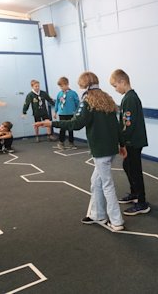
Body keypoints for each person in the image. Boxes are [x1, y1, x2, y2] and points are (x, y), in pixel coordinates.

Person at [35, 72, 127, 232]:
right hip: (111, 149)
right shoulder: (108, 99)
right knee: (95, 181)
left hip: (101, 151)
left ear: (85, 84)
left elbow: (76, 124)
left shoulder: (88, 101)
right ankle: (97, 214)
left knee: (107, 184)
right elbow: (117, 125)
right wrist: (122, 145)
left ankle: (116, 221)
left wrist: (52, 123)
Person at [109, 69, 150, 215]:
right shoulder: (128, 97)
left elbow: (128, 124)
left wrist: (122, 140)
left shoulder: (130, 98)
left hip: (133, 141)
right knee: (128, 166)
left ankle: (142, 202)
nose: (115, 89)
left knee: (135, 170)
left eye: (115, 85)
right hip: (131, 140)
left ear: (122, 82)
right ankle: (134, 193)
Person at [53, 77, 80, 150]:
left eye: (62, 86)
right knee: (63, 128)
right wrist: (55, 112)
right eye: (60, 86)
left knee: (71, 128)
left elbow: (77, 103)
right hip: (62, 114)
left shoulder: (73, 93)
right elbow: (57, 103)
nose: (61, 88)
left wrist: (78, 112)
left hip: (71, 113)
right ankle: (61, 142)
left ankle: (71, 143)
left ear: (67, 84)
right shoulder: (59, 94)